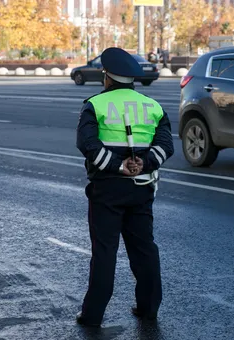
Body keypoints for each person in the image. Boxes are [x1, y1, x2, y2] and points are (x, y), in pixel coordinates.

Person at [75, 47, 174, 327]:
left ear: (107, 77)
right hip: (141, 189)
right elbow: (166, 147)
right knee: (144, 249)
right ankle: (148, 308)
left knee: (105, 251)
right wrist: (143, 164)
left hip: (107, 189)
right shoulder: (153, 106)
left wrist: (119, 165)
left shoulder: (95, 105)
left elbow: (88, 145)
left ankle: (93, 315)